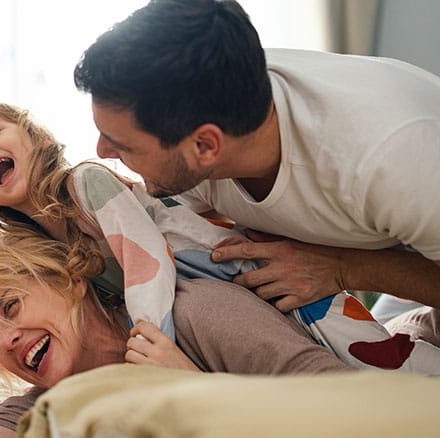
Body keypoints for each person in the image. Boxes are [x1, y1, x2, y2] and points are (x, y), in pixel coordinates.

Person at [0, 103, 440, 374]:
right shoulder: (46, 245)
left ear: (40, 139)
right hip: (214, 284)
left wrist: (148, 345)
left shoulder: (86, 184)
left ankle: (421, 381)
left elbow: (146, 262)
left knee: (364, 352)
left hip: (238, 261)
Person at [74, 0, 440, 318]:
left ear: (205, 147)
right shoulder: (207, 100)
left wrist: (344, 267)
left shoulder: (391, 158)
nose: (102, 152)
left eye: (123, 145)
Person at [0, 205, 354, 436]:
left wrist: (195, 387)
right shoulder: (41, 406)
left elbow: (344, 399)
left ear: (72, 278)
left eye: (11, 307)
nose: (9, 339)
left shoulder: (193, 312)